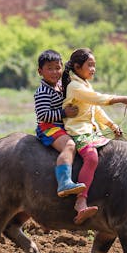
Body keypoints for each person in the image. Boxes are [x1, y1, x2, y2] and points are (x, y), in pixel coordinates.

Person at [62, 47, 127, 224]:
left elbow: (95, 109)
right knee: (91, 157)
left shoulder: (84, 84)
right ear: (77, 66)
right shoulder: (74, 86)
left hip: (91, 130)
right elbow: (98, 99)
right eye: (89, 65)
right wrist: (121, 98)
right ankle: (81, 201)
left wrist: (111, 125)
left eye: (94, 65)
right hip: (78, 130)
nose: (93, 69)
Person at [34, 50, 85, 198]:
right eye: (49, 68)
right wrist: (64, 113)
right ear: (40, 71)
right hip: (48, 127)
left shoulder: (60, 86)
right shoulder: (43, 91)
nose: (54, 72)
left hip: (62, 126)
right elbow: (43, 115)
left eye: (57, 68)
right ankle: (64, 182)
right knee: (69, 145)